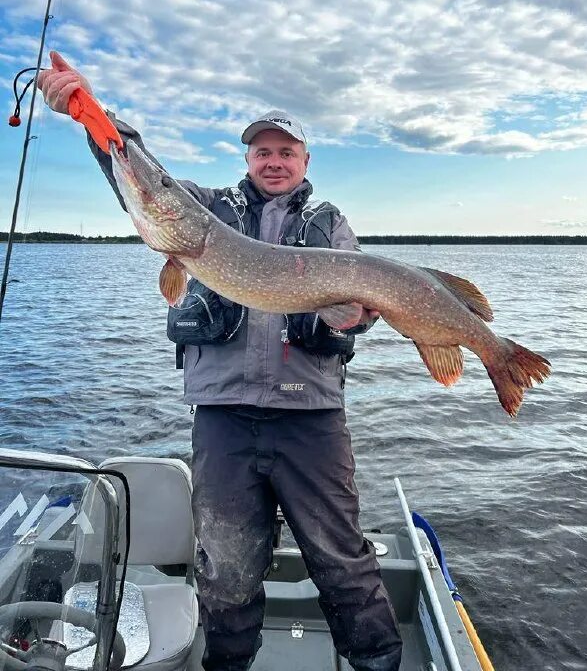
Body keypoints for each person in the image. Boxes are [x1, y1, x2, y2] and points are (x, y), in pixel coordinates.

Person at [38, 51, 403, 671]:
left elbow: (353, 313)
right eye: (263, 151)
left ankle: (376, 661)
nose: (275, 161)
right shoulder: (206, 210)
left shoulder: (330, 223)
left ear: (305, 162)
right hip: (225, 419)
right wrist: (91, 115)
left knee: (342, 558)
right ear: (248, 161)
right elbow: (140, 177)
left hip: (310, 418)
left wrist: (360, 316)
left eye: (287, 151)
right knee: (226, 567)